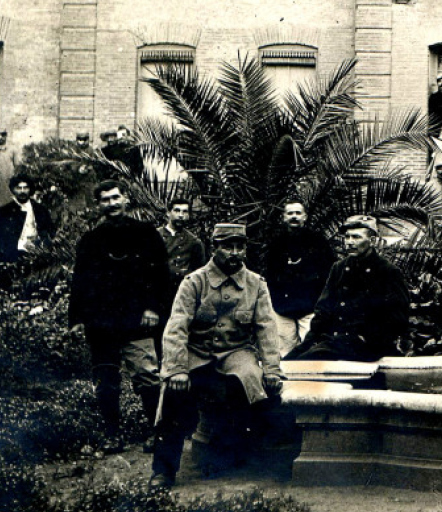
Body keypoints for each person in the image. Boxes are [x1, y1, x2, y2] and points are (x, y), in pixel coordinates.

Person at [151, 223, 283, 488]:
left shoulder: (256, 285)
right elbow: (176, 328)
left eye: (240, 246)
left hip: (237, 354)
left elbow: (266, 330)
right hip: (196, 353)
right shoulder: (194, 282)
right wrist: (177, 369)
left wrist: (271, 370)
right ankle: (163, 470)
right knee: (174, 398)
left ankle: (239, 459)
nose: (235, 252)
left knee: (255, 389)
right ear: (214, 249)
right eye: (227, 246)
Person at [69, 180, 170, 453]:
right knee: (105, 382)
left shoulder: (146, 234)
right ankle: (113, 435)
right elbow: (80, 281)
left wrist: (153, 309)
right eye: (105, 200)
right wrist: (77, 319)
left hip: (137, 322)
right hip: (101, 324)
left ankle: (157, 433)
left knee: (147, 377)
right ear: (98, 205)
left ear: (126, 199)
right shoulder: (90, 241)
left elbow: (160, 276)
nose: (111, 204)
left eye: (115, 198)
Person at [290, 215, 412, 362]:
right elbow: (323, 310)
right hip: (334, 341)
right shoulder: (339, 268)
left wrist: (367, 338)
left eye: (356, 237)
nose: (349, 243)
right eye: (347, 237)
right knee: (286, 361)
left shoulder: (387, 271)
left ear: (372, 241)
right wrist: (309, 341)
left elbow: (397, 317)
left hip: (367, 346)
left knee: (307, 362)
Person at [265, 200, 340, 358]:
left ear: (305, 217)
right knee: (284, 353)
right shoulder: (276, 244)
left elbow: (329, 272)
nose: (294, 217)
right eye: (290, 213)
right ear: (284, 217)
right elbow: (269, 274)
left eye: (298, 213)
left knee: (311, 351)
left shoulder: (318, 241)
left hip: (310, 307)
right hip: (282, 309)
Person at [0, 173, 56, 268]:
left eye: (26, 188)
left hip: (38, 255)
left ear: (30, 189)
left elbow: (50, 233)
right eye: (19, 188)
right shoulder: (4, 212)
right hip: (13, 256)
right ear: (13, 190)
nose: (22, 191)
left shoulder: (40, 210)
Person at [158, 198, 206, 292]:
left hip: (183, 292)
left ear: (188, 215)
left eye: (185, 212)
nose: (181, 215)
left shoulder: (194, 242)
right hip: (158, 292)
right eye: (177, 211)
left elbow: (200, 272)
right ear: (168, 213)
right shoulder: (153, 237)